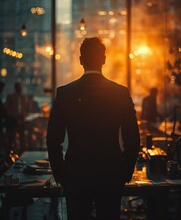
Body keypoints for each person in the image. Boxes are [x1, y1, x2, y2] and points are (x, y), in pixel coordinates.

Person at [46, 37, 140, 220]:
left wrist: (61, 174)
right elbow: (133, 138)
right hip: (110, 174)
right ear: (103, 59)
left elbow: (53, 139)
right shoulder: (120, 93)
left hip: (76, 174)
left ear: (81, 60)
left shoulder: (65, 93)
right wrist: (125, 172)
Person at [5, 82, 28, 152]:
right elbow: (7, 107)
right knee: (11, 138)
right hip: (13, 119)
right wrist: (12, 116)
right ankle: (10, 154)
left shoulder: (23, 97)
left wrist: (24, 116)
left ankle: (22, 153)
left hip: (21, 119)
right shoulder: (11, 96)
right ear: (15, 88)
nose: (19, 88)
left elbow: (24, 108)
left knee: (22, 138)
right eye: (18, 87)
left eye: (20, 86)